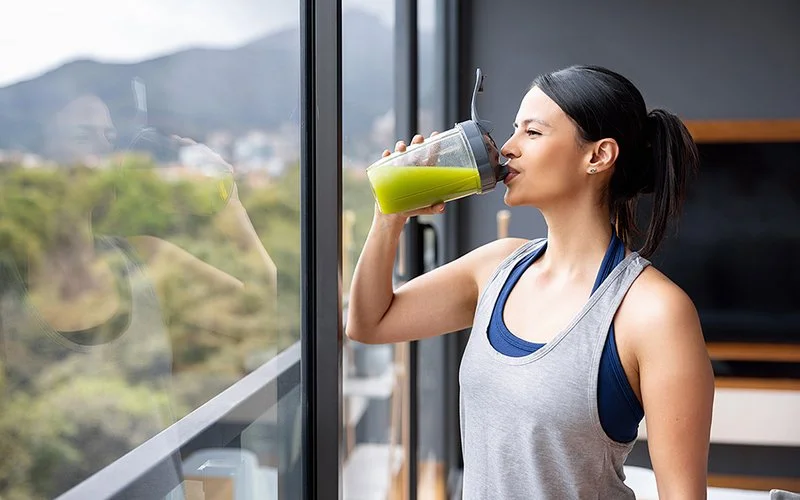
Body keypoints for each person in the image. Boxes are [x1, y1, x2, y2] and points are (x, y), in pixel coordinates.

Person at [347, 65, 714, 499]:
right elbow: (369, 323)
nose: (507, 148)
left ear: (598, 156)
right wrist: (391, 215)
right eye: (514, 130)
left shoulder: (653, 312)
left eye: (533, 133)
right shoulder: (498, 267)